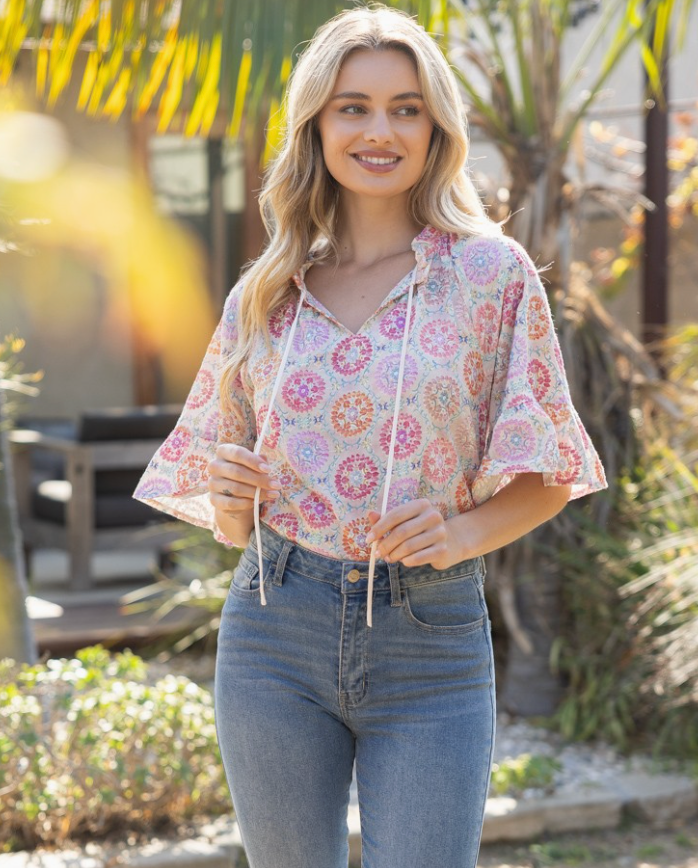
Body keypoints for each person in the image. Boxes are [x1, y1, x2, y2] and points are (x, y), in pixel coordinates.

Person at [133, 5, 607, 867]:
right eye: (353, 107)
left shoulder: (490, 273)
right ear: (316, 125)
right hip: (274, 628)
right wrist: (233, 498)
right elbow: (231, 519)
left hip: (430, 636)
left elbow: (553, 469)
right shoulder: (267, 292)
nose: (379, 130)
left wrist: (461, 534)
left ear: (436, 129)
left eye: (405, 108)